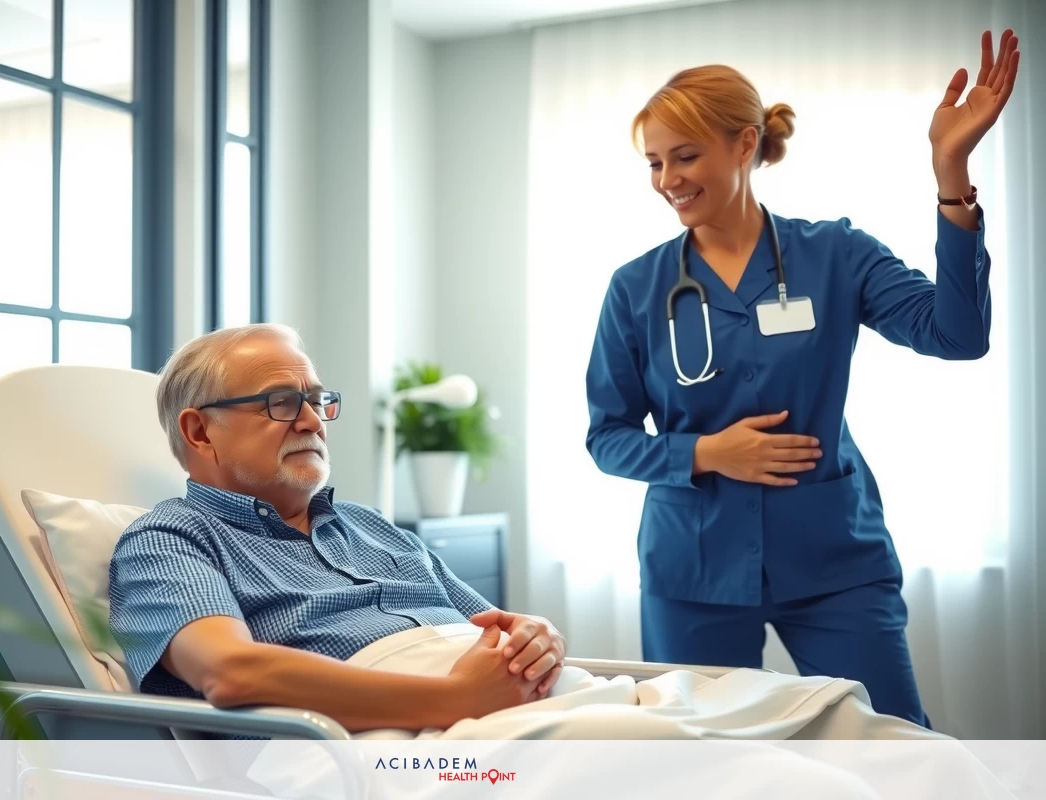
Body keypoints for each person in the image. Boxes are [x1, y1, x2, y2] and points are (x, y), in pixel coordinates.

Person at [584, 30, 1020, 728]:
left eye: (686, 156)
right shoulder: (636, 288)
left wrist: (950, 171)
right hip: (693, 572)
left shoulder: (836, 255)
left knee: (896, 748)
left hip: (834, 563)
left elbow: (958, 336)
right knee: (704, 765)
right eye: (656, 163)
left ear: (746, 144)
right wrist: (704, 452)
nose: (669, 180)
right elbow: (606, 437)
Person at [107, 324, 567, 733]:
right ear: (201, 433)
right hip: (402, 742)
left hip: (524, 708)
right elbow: (230, 672)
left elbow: (492, 628)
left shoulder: (372, 526)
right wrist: (455, 701)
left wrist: (536, 635)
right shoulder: (170, 538)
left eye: (316, 401)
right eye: (281, 403)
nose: (312, 421)